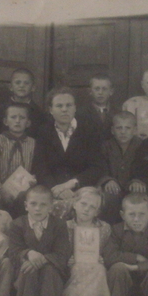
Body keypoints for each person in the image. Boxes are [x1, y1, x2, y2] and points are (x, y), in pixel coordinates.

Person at [7, 185, 72, 296]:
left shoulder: (59, 225)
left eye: (43, 205)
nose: (38, 209)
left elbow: (62, 253)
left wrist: (43, 259)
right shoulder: (17, 225)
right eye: (33, 204)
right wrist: (28, 253)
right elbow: (13, 251)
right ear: (26, 205)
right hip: (25, 269)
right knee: (28, 271)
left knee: (49, 273)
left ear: (51, 207)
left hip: (52, 268)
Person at [37, 87, 106, 218]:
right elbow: (41, 167)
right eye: (59, 105)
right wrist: (56, 189)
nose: (64, 109)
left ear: (75, 108)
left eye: (69, 105)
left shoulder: (89, 131)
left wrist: (71, 184)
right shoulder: (43, 132)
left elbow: (97, 167)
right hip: (52, 188)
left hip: (82, 187)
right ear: (51, 110)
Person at [61, 187, 112, 296]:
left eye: (92, 207)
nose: (87, 210)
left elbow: (109, 251)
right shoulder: (65, 226)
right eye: (83, 204)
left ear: (97, 212)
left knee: (99, 269)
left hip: (95, 265)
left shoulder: (104, 228)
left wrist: (103, 258)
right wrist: (67, 259)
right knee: (78, 268)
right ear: (75, 204)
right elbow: (59, 250)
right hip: (73, 266)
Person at [0, 103, 49, 217]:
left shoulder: (33, 143)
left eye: (22, 118)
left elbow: (38, 168)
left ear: (28, 123)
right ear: (5, 121)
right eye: (13, 117)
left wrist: (33, 179)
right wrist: (1, 190)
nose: (17, 121)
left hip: (24, 191)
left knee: (26, 198)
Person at [98, 111, 146, 223]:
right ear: (112, 130)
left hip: (133, 186)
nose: (123, 132)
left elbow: (145, 167)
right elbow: (100, 167)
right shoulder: (106, 146)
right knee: (109, 195)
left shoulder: (142, 146)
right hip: (113, 187)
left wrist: (137, 180)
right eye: (119, 128)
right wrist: (107, 180)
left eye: (127, 128)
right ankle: (109, 229)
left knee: (139, 195)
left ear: (135, 130)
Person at [0, 68, 48, 138]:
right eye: (17, 82)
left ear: (33, 87)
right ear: (10, 87)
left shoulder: (39, 113)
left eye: (26, 83)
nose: (22, 86)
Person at [76, 74, 116, 141]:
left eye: (104, 89)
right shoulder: (81, 114)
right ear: (90, 91)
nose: (100, 92)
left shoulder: (117, 113)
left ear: (111, 92)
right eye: (97, 89)